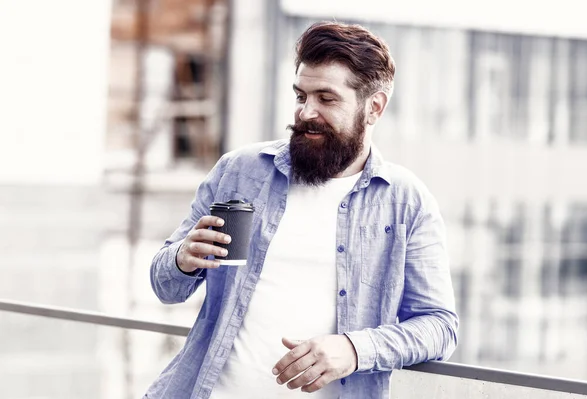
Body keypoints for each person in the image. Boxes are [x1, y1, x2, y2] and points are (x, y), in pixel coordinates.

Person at [144, 21, 458, 399]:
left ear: (373, 107)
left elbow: (439, 327)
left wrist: (356, 350)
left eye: (326, 99)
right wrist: (182, 258)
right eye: (300, 96)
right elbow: (165, 287)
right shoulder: (240, 171)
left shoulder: (406, 202)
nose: (307, 112)